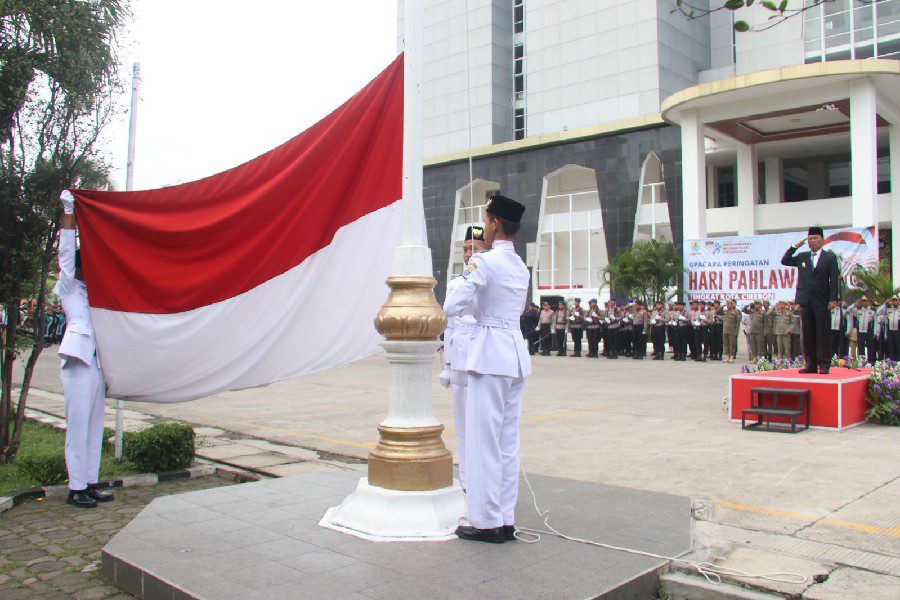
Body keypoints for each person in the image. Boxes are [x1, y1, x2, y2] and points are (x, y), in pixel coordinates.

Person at [444, 194, 530, 544]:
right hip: (514, 355)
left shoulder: (485, 262)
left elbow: (451, 306)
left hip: (488, 355)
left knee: (482, 442)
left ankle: (484, 521)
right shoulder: (520, 265)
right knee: (507, 442)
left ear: (495, 223)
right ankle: (505, 518)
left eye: (487, 220)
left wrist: (469, 276)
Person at [56, 191, 114, 509]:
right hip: (77, 361)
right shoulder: (68, 286)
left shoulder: (95, 290)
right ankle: (75, 486)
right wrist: (69, 212)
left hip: (96, 362)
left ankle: (90, 482)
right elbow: (65, 254)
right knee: (77, 425)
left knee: (94, 426)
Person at [440, 224, 486, 493]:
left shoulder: (486, 277)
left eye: (475, 249)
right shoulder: (457, 282)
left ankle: (482, 479)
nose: (469, 254)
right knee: (463, 423)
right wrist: (446, 364)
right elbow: (450, 323)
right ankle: (468, 480)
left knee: (481, 423)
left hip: (481, 356)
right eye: (466, 249)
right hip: (459, 359)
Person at [781, 227, 841, 374]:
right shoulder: (803, 256)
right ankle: (810, 365)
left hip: (822, 300)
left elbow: (834, 279)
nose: (813, 241)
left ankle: (825, 364)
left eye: (815, 238)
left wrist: (833, 299)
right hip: (805, 299)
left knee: (822, 333)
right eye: (810, 238)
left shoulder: (829, 257)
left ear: (822, 240)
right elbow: (785, 260)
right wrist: (795, 246)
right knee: (807, 333)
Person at [853, 297, 876, 365]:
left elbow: (876, 322)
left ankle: (870, 361)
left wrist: (875, 332)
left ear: (868, 302)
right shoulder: (858, 310)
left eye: (865, 301)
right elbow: (849, 311)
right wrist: (855, 304)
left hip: (869, 330)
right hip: (860, 331)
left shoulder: (872, 311)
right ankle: (862, 361)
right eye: (863, 301)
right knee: (861, 346)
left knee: (870, 346)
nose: (864, 302)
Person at [888, 296, 900, 361]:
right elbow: (878, 312)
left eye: (896, 300)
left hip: (898, 331)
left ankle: (898, 362)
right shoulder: (889, 309)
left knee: (898, 346)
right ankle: (892, 361)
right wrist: (885, 304)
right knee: (891, 347)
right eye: (893, 300)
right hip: (891, 331)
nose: (895, 301)